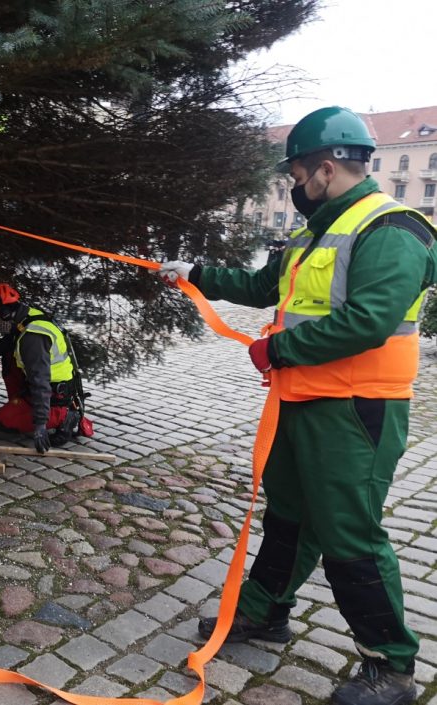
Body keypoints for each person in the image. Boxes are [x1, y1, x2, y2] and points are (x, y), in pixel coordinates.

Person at [160, 106, 436, 705]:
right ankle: (264, 613)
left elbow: (368, 321)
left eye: (297, 174)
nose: (293, 185)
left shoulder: (393, 229)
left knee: (349, 535)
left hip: (357, 411)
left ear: (326, 169)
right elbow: (266, 287)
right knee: (287, 516)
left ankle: (391, 667)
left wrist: (277, 350)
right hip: (305, 399)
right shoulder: (314, 232)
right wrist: (195, 274)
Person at [0, 282, 93, 453]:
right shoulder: (27, 317)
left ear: (5, 312)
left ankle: (65, 417)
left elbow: (39, 380)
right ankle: (25, 403)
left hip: (55, 394)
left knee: (4, 423)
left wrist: (40, 425)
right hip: (48, 388)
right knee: (9, 357)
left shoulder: (33, 337)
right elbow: (9, 341)